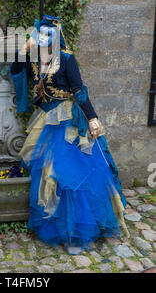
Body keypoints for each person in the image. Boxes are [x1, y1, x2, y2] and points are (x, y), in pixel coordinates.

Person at [9, 15, 130, 255]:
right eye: (39, 34)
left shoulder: (66, 59)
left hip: (68, 121)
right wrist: (22, 50)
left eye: (47, 35)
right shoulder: (33, 58)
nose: (42, 39)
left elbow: (79, 91)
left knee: (70, 176)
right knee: (47, 176)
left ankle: (78, 232)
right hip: (45, 120)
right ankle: (56, 226)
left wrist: (93, 118)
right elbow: (15, 72)